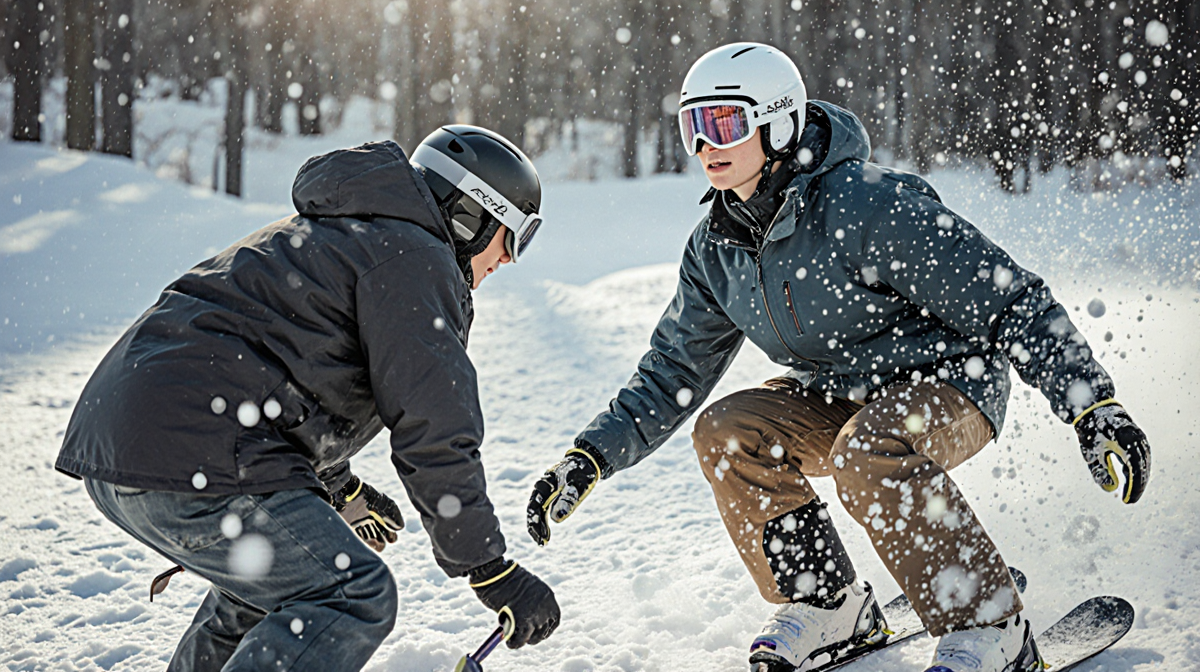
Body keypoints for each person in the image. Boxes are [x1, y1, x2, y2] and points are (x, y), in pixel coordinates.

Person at [525, 43, 1151, 672]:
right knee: (728, 432)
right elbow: (673, 371)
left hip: (952, 382)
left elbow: (1006, 297)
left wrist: (1092, 406)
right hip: (840, 393)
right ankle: (827, 604)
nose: (705, 144)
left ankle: (992, 627)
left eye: (723, 123)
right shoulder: (718, 247)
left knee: (869, 448)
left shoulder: (865, 205)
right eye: (693, 126)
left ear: (776, 123)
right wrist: (592, 455)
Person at [57, 125, 559, 671]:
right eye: (515, 236)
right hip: (192, 448)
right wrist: (488, 566)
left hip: (128, 441)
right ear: (470, 215)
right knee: (351, 594)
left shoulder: (350, 232)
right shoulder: (415, 257)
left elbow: (283, 364)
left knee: (261, 593)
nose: (509, 259)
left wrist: (338, 487)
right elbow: (433, 424)